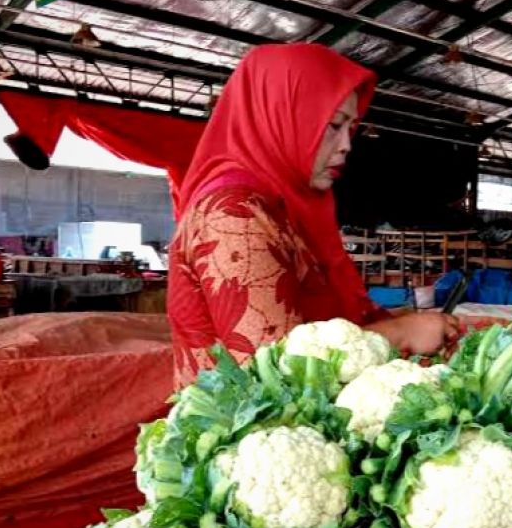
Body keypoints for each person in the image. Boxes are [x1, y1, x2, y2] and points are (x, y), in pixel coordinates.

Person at [167, 44, 459, 384]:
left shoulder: (279, 206)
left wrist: (399, 320)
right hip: (234, 431)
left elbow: (307, 326)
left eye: (351, 128)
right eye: (333, 125)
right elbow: (270, 370)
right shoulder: (233, 215)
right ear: (281, 116)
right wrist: (399, 333)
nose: (347, 145)